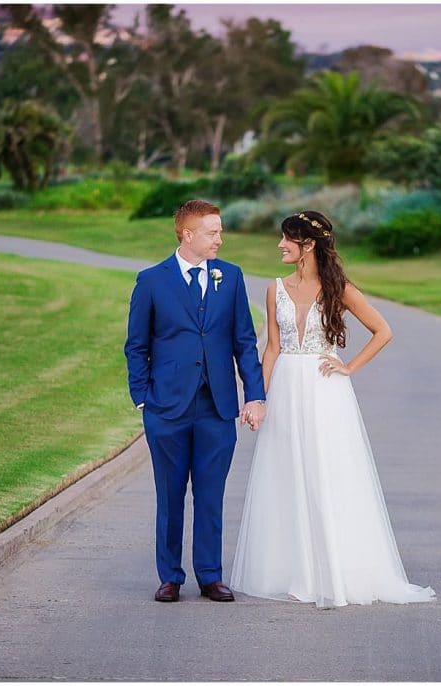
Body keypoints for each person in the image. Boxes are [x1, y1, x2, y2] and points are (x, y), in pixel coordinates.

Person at [230, 210, 436, 608]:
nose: (279, 246)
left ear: (308, 244)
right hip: (287, 386)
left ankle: (332, 570)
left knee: (326, 472)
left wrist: (349, 367)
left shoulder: (338, 287)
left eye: (287, 239)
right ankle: (295, 570)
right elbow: (271, 349)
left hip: (326, 389)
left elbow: (383, 331)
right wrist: (257, 398)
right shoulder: (275, 289)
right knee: (288, 472)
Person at [124, 199, 266, 603]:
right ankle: (170, 576)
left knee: (210, 493)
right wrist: (143, 399)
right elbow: (137, 346)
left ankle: (210, 576)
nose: (220, 239)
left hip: (217, 407)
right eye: (213, 232)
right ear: (188, 235)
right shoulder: (152, 281)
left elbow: (243, 341)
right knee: (170, 495)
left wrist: (254, 394)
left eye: (219, 231)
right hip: (166, 408)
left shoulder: (231, 277)